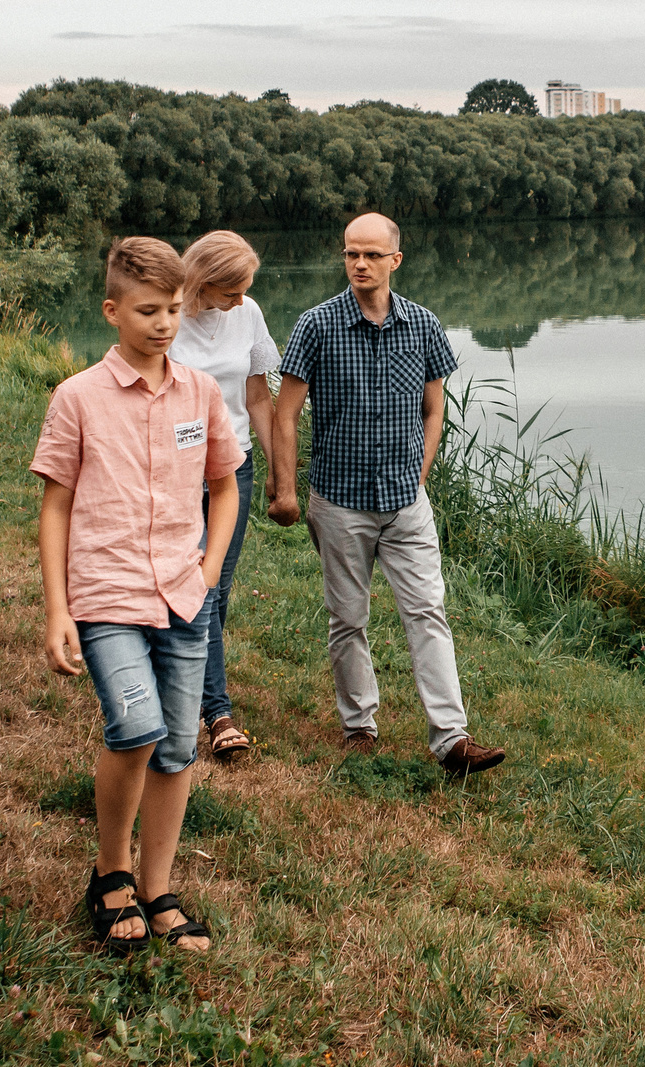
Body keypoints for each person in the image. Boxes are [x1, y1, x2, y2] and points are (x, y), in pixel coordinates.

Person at [34, 237, 242, 954]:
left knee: (178, 748)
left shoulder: (200, 392)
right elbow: (56, 504)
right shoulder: (79, 397)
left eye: (175, 309)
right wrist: (58, 608)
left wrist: (211, 565)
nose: (164, 323)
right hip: (107, 594)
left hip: (186, 596)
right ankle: (110, 872)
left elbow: (224, 482)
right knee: (135, 725)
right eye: (148, 310)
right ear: (112, 310)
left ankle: (158, 888)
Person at [271, 212, 506, 777]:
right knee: (348, 618)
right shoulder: (317, 325)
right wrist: (286, 490)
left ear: (394, 261)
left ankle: (452, 739)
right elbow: (285, 414)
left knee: (427, 612)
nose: (359, 264)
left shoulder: (423, 325)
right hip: (340, 501)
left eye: (372, 255)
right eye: (352, 253)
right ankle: (359, 727)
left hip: (406, 504)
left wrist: (418, 478)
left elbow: (434, 409)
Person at [169, 230, 285, 763]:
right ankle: (218, 713)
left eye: (245, 290)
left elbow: (257, 396)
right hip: (174, 474)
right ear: (200, 281)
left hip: (231, 470)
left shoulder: (249, 313)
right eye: (229, 291)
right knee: (201, 588)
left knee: (217, 586)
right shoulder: (167, 317)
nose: (239, 301)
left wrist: (281, 471)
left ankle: (185, 678)